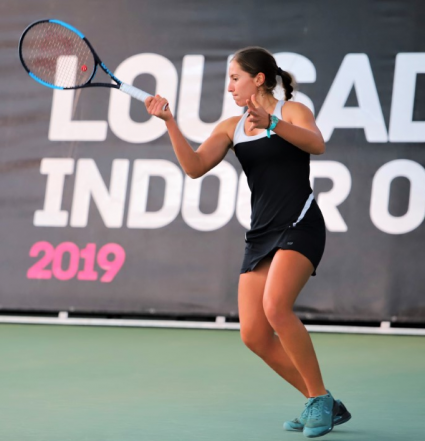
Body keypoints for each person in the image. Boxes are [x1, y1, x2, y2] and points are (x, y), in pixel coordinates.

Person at [144, 47, 351, 438]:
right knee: (253, 334)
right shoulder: (230, 127)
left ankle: (319, 401)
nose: (229, 87)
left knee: (276, 307)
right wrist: (169, 122)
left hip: (301, 223)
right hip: (261, 233)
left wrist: (272, 122)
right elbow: (194, 167)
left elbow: (317, 144)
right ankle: (320, 399)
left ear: (259, 79)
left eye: (235, 78)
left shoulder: (293, 111)